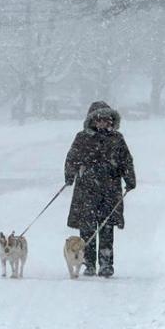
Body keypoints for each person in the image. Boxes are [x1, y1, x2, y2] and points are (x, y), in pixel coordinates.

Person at [64, 101, 136, 277]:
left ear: (111, 121)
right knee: (87, 229)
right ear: (92, 121)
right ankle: (88, 263)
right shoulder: (82, 138)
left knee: (106, 229)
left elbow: (126, 160)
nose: (103, 123)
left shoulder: (117, 139)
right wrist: (70, 175)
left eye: (106, 120)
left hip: (110, 191)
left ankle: (105, 264)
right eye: (99, 120)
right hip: (86, 190)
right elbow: (72, 158)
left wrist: (130, 179)